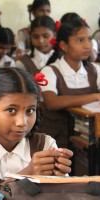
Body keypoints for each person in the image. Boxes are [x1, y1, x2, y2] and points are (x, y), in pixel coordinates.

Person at [0, 67, 73, 185]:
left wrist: (60, 178)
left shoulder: (45, 144)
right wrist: (28, 173)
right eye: (11, 110)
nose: (22, 122)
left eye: (30, 110)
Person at [39, 19, 100, 148]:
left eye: (89, 39)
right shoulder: (50, 71)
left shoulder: (94, 70)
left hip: (86, 139)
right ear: (63, 45)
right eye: (80, 40)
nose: (87, 45)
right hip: (56, 141)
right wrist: (94, 96)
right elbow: (52, 102)